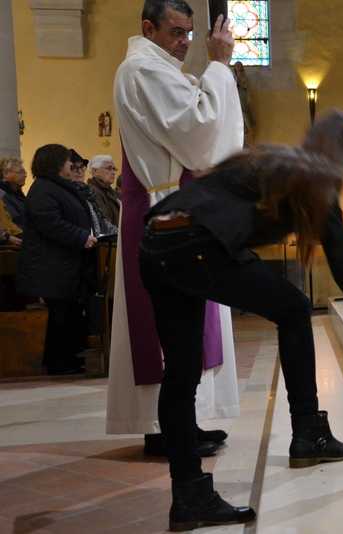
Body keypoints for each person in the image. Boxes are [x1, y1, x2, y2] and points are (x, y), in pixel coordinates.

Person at [138, 110, 343, 531]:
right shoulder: (313, 180)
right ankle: (308, 433)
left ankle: (190, 496)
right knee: (295, 308)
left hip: (156, 245)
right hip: (195, 244)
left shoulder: (277, 161)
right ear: (341, 157)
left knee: (181, 373)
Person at [107, 0, 244, 458]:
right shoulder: (144, 69)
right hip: (163, 206)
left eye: (189, 33)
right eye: (177, 33)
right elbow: (199, 137)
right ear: (149, 28)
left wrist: (205, 80)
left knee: (190, 325)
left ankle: (185, 421)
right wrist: (219, 67)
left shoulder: (158, 67)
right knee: (169, 327)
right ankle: (165, 429)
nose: (186, 42)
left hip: (179, 203)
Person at [15, 144, 116, 374]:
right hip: (50, 265)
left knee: (69, 316)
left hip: (66, 265)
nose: (71, 165)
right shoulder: (43, 189)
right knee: (61, 317)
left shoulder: (61, 188)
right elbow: (49, 222)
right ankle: (59, 364)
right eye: (66, 160)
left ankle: (69, 359)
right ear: (55, 163)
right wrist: (82, 236)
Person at [87, 155, 121, 226]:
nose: (113, 172)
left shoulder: (109, 190)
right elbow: (105, 222)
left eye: (114, 169)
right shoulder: (93, 192)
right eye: (109, 168)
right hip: (111, 236)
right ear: (95, 171)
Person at [0, 157, 29, 231]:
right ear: (6, 174)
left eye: (24, 172)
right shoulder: (3, 195)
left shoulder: (17, 194)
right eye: (20, 172)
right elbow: (13, 220)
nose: (25, 175)